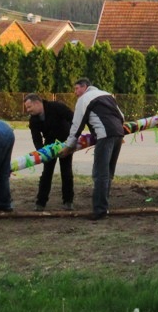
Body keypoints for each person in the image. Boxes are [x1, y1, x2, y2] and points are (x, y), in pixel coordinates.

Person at [66, 78, 126, 221]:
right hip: (118, 134)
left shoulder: (84, 99)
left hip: (104, 136)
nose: (75, 92)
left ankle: (100, 210)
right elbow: (121, 116)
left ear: (85, 87)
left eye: (77, 89)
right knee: (108, 172)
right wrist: (118, 131)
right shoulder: (107, 94)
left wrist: (69, 145)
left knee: (100, 173)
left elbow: (77, 124)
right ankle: (104, 206)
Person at [23, 93, 75, 211]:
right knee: (47, 173)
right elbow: (36, 138)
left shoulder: (57, 107)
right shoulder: (33, 120)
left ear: (37, 103)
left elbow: (73, 119)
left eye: (29, 107)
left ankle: (68, 201)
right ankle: (40, 203)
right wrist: (42, 153)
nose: (28, 110)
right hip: (49, 145)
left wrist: (71, 141)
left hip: (66, 142)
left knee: (66, 171)